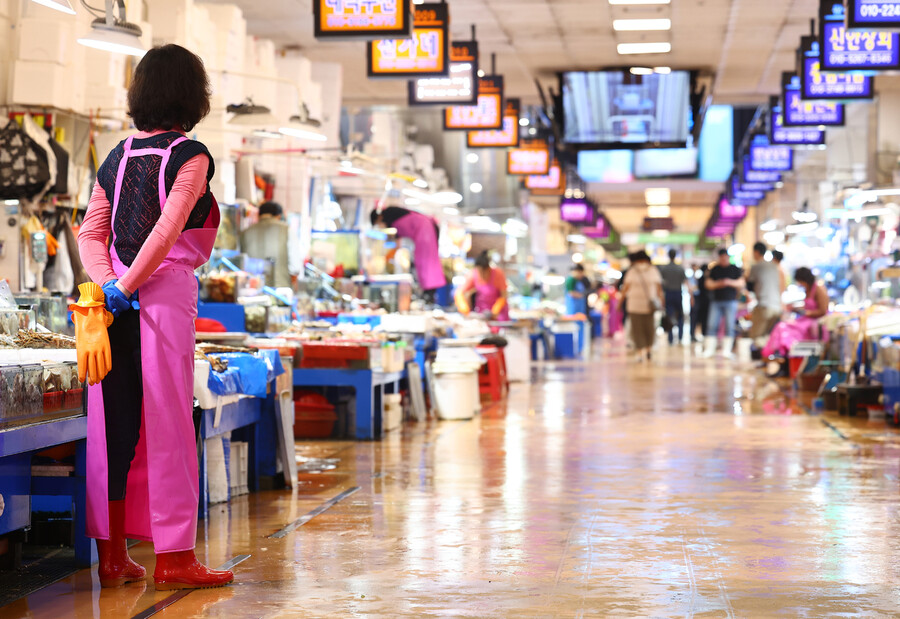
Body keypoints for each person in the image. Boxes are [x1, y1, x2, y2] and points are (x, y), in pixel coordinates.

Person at [77, 45, 234, 590]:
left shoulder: (117, 155)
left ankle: (113, 556)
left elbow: (90, 232)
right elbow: (167, 230)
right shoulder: (191, 155)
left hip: (108, 308)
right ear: (194, 95)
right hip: (161, 299)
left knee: (110, 429)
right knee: (167, 425)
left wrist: (108, 285)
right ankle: (174, 559)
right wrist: (127, 285)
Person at [371, 206, 447, 297]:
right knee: (426, 260)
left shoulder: (389, 216)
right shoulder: (395, 216)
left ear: (379, 217)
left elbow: (397, 243)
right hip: (425, 228)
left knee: (425, 260)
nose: (380, 225)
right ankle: (429, 291)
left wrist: (389, 255)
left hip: (423, 229)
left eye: (377, 223)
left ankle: (429, 291)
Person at [762, 267, 829, 362]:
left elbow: (823, 310)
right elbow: (807, 307)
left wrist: (807, 312)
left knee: (783, 327)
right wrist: (796, 309)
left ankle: (783, 353)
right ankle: (779, 354)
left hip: (813, 322)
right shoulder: (808, 289)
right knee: (781, 325)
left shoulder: (818, 290)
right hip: (805, 319)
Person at [703, 248, 745, 358]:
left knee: (729, 326)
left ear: (728, 257)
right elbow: (708, 284)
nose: (723, 259)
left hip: (730, 301)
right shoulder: (715, 269)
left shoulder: (734, 269)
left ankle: (727, 350)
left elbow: (741, 283)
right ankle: (709, 349)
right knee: (712, 325)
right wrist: (718, 284)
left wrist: (729, 282)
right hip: (716, 301)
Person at [621, 250, 662, 362]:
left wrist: (620, 302)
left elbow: (625, 288)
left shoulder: (632, 271)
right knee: (649, 328)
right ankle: (648, 350)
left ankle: (639, 353)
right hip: (650, 305)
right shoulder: (653, 270)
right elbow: (659, 289)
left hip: (634, 305)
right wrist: (662, 303)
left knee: (637, 330)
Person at [240, 201, 293, 288]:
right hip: (280, 289)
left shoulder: (245, 232)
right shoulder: (287, 230)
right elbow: (295, 267)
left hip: (251, 288)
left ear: (258, 215)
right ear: (278, 216)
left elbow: (241, 261)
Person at [455, 251, 510, 320]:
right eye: (480, 272)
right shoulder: (473, 274)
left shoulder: (498, 274)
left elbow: (504, 296)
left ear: (488, 268)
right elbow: (459, 293)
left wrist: (495, 310)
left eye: (484, 272)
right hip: (482, 313)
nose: (482, 275)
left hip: (499, 315)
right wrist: (464, 308)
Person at [746, 241, 782, 345]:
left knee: (756, 336)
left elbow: (750, 286)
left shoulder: (756, 267)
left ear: (756, 252)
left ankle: (763, 357)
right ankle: (767, 358)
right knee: (768, 335)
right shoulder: (774, 266)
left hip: (764, 305)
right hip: (776, 306)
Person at [658, 248, 687, 345]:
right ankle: (680, 336)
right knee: (680, 316)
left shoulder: (664, 269)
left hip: (668, 294)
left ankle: (670, 338)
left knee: (669, 316)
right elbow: (685, 282)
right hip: (678, 293)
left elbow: (660, 284)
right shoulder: (680, 268)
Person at [690, 264, 709, 342]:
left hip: (701, 302)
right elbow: (693, 289)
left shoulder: (701, 279)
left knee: (697, 319)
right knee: (697, 319)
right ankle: (697, 334)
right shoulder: (703, 279)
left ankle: (696, 334)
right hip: (700, 302)